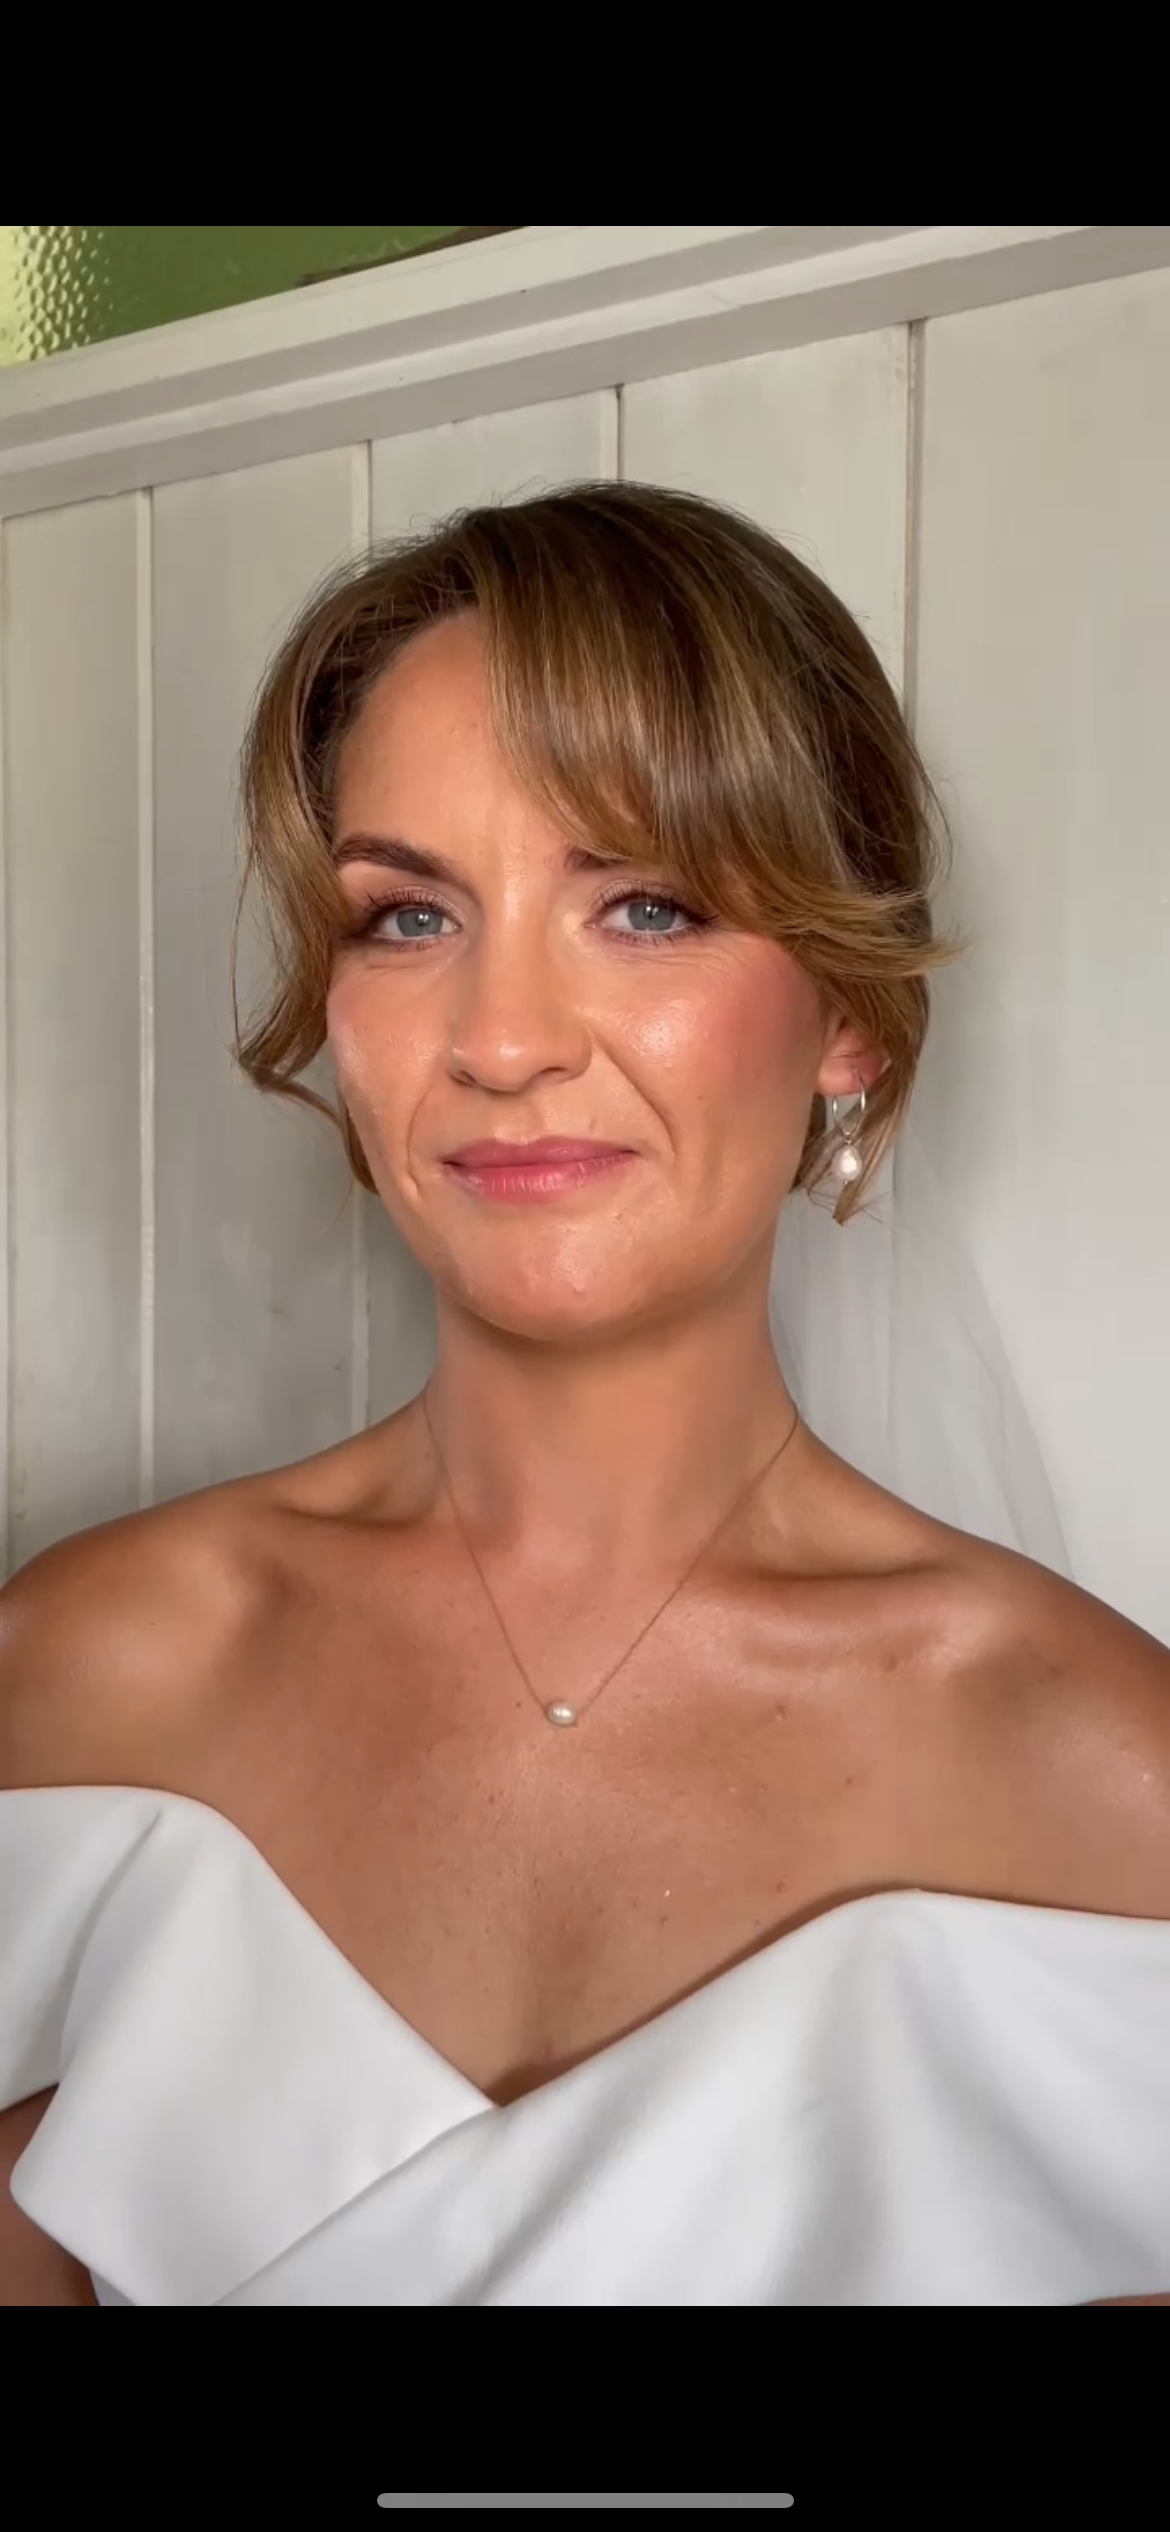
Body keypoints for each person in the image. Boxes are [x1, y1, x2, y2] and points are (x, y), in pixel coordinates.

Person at [1, 483, 1168, 2309]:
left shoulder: (1102, 1782)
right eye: (407, 918)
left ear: (848, 1015)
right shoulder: (84, 1672)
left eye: (645, 905)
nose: (500, 1039)